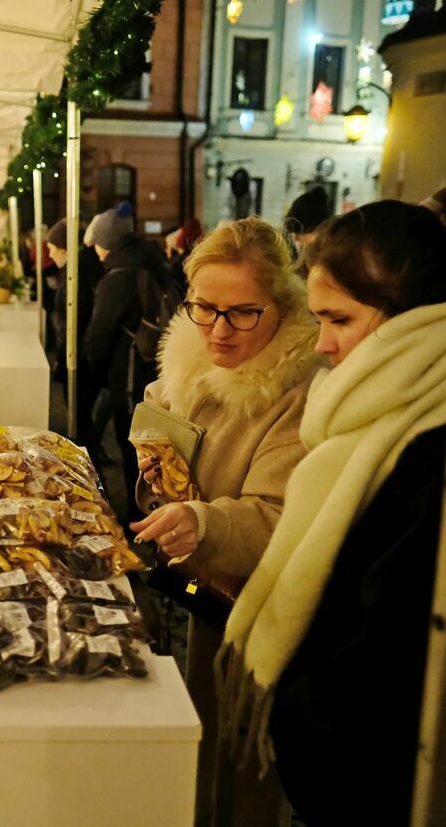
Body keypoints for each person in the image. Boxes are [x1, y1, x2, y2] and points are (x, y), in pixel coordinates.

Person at [218, 201, 446, 824]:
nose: (323, 344)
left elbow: (398, 641)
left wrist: (303, 712)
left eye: (340, 320)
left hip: (405, 771)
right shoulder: (419, 399)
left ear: (411, 317)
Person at [127, 218, 321, 826]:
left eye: (242, 312)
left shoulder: (298, 390)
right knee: (206, 732)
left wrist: (204, 522)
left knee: (245, 759)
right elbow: (163, 473)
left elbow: (282, 515)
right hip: (207, 593)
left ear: (281, 305)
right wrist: (156, 474)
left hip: (264, 606)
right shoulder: (185, 368)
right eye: (204, 308)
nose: (218, 328)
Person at [80, 202, 173, 495]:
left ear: (106, 243)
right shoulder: (155, 263)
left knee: (132, 448)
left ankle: (137, 517)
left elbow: (99, 337)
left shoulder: (118, 277)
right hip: (161, 371)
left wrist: (96, 372)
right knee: (155, 448)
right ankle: (155, 506)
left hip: (130, 376)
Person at [46, 217, 105, 452]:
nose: (50, 255)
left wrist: (63, 360)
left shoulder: (76, 276)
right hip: (84, 356)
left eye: (51, 249)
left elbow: (72, 325)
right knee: (83, 418)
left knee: (80, 421)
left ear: (63, 248)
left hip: (80, 359)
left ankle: (92, 471)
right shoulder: (83, 270)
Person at [283, 186, 331, 259]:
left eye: (302, 233)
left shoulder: (331, 255)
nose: (296, 239)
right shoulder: (285, 250)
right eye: (293, 232)